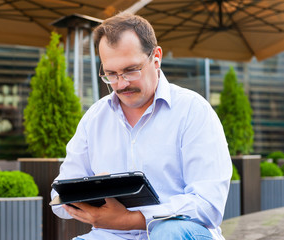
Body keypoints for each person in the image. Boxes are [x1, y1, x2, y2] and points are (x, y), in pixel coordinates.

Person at [51, 12, 232, 240]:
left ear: (156, 57)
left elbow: (209, 205)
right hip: (111, 235)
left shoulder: (193, 111)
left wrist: (131, 219)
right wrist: (92, 191)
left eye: (130, 70)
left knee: (168, 232)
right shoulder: (94, 118)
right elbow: (57, 201)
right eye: (111, 74)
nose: (122, 83)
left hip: (177, 234)